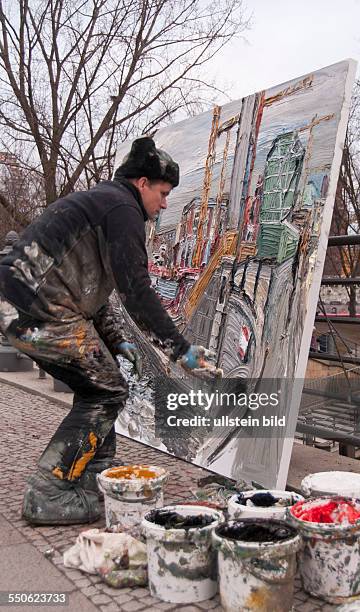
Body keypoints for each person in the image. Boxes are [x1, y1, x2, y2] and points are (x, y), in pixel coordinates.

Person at [0, 137, 211, 525]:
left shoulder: (105, 203)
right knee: (107, 389)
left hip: (24, 305)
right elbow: (136, 290)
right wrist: (180, 349)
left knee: (97, 385)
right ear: (142, 183)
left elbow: (92, 290)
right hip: (35, 310)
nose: (165, 204)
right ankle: (47, 492)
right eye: (163, 194)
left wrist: (116, 339)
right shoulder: (123, 209)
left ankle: (96, 469)